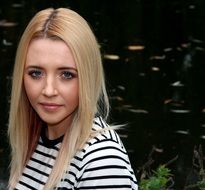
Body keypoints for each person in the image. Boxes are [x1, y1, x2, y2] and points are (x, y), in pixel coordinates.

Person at [8, 7, 138, 190]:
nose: (49, 90)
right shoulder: (36, 139)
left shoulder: (101, 159)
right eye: (36, 73)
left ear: (88, 77)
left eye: (66, 75)